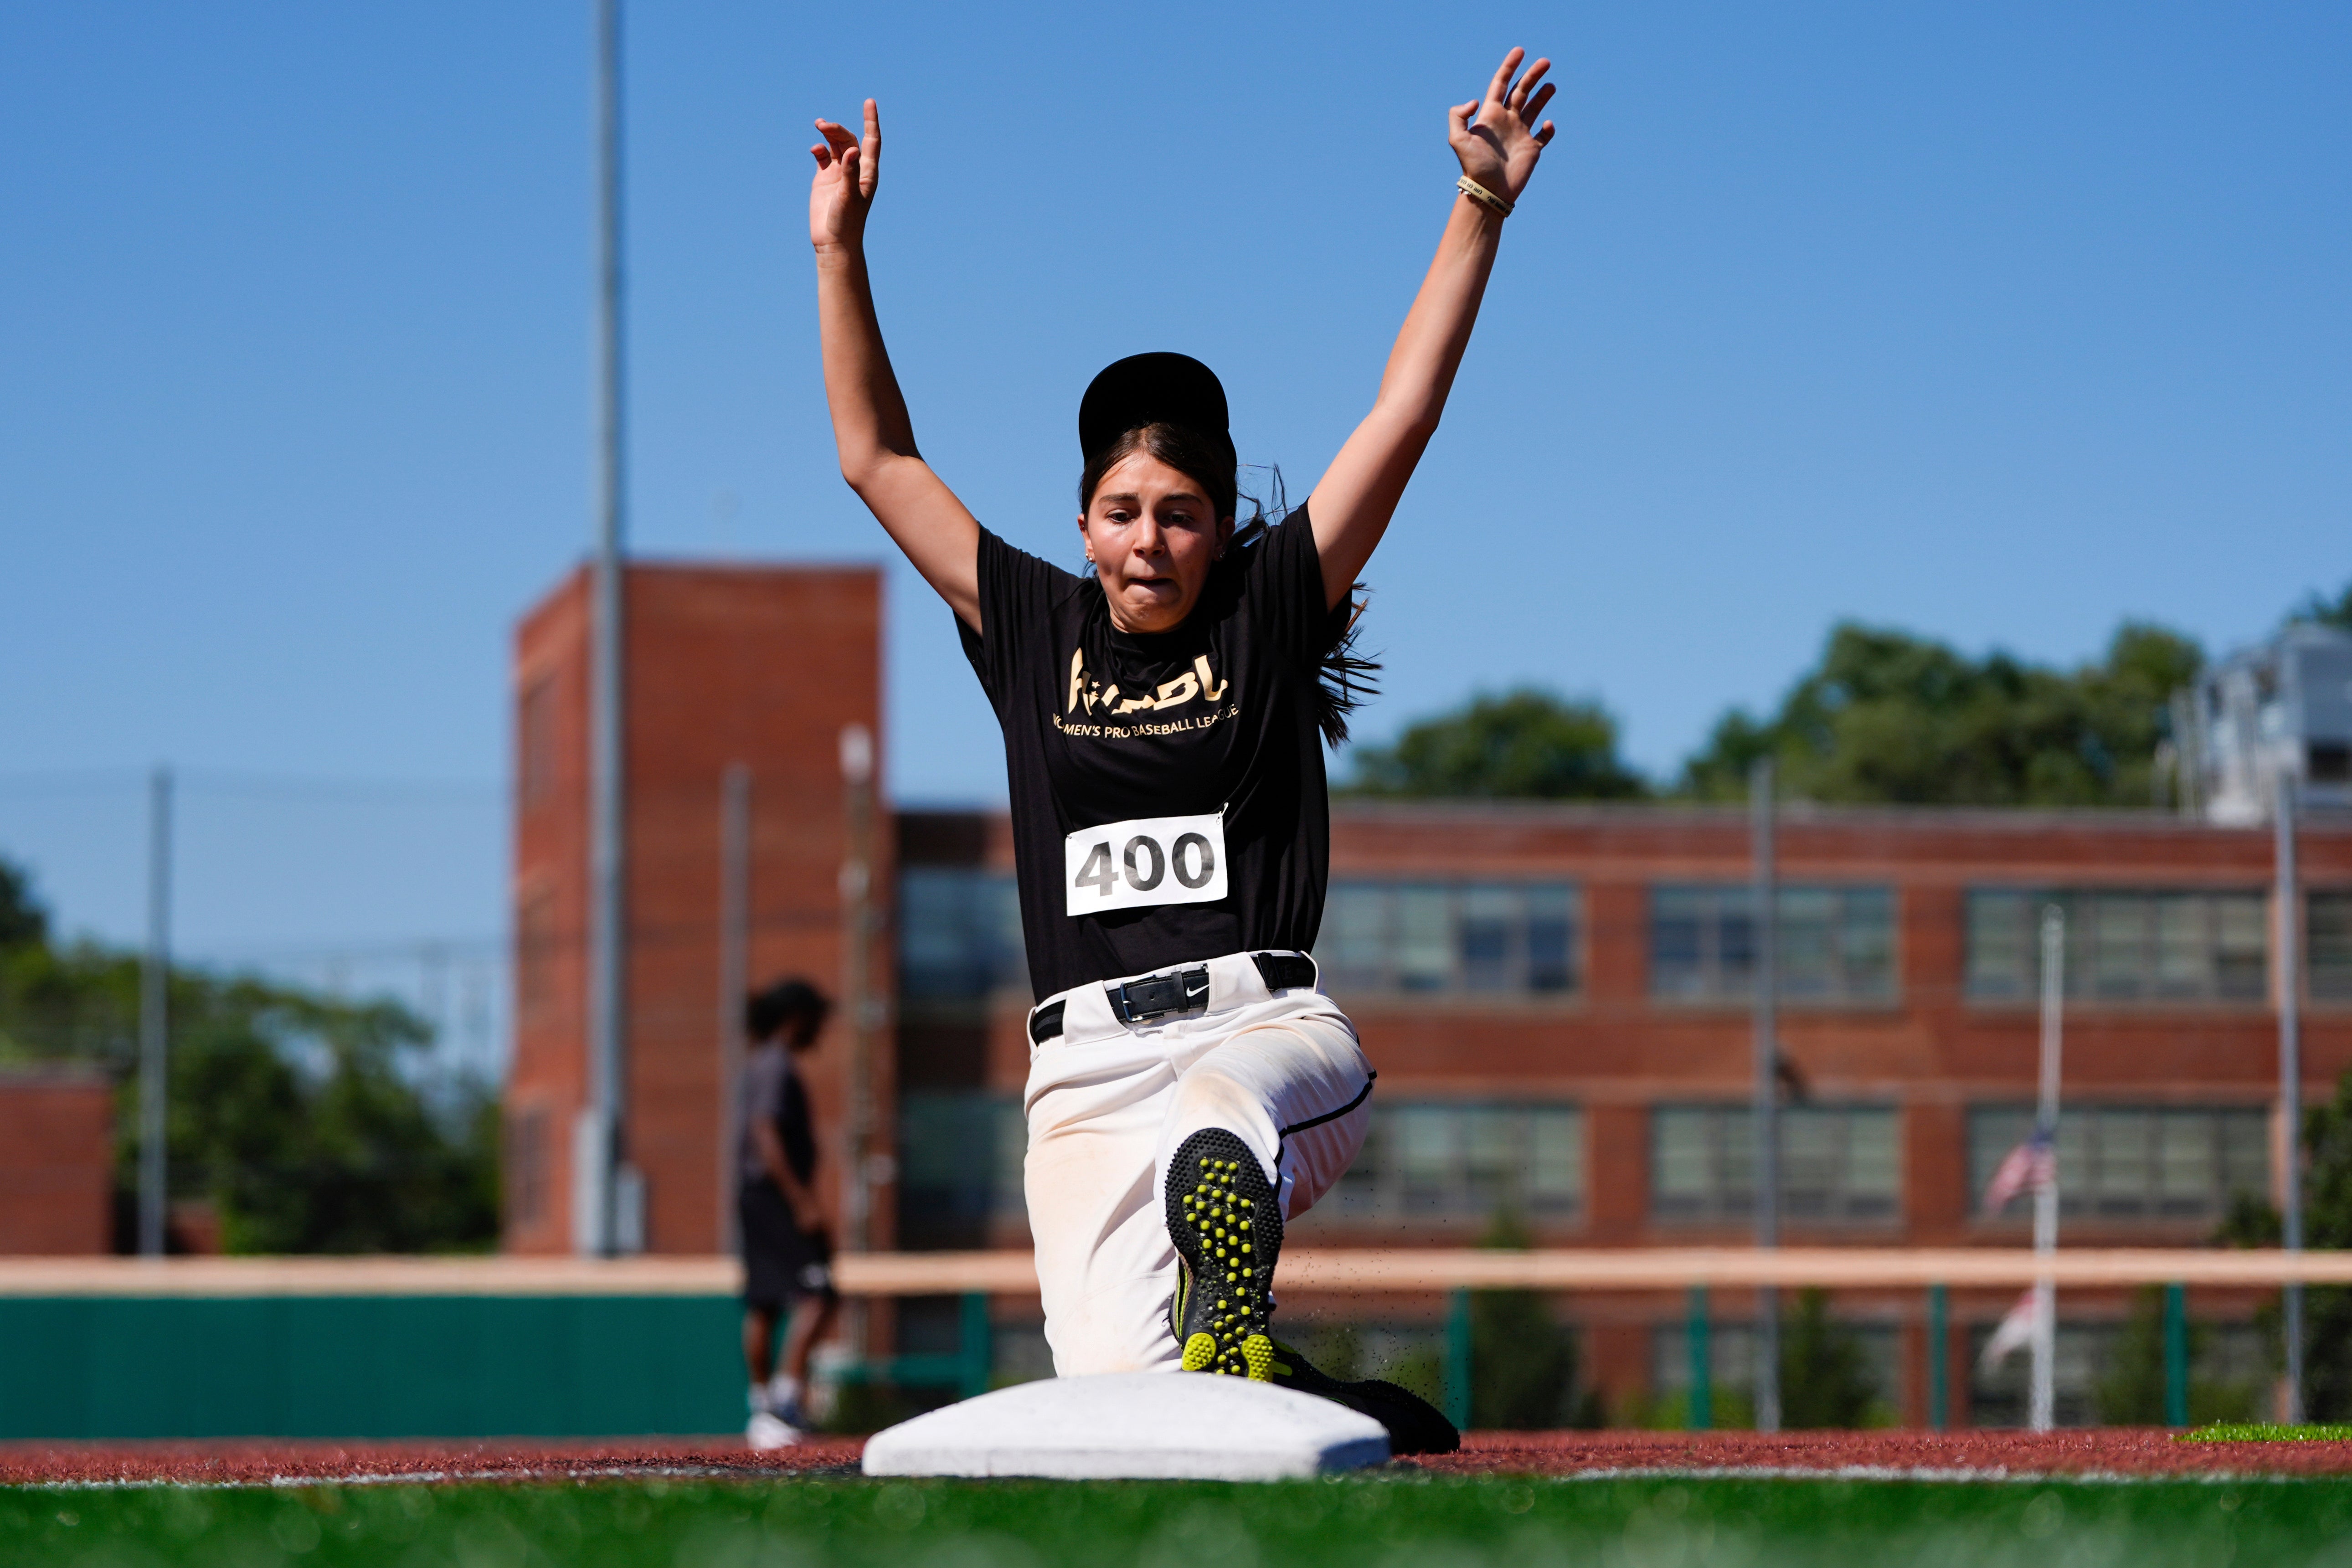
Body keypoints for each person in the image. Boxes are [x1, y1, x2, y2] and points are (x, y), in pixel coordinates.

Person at [808, 48, 1555, 1454]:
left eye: (1181, 510)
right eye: (1121, 508)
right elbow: (875, 458)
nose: (1149, 537)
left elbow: (1401, 412)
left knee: (1222, 1118)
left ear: (1221, 524)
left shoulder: (1271, 608)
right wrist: (841, 251)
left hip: (1264, 1036)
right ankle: (1296, 1391)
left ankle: (1233, 1244)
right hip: (1083, 1074)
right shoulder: (1031, 626)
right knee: (1133, 1412)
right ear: (1082, 519)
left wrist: (1478, 202)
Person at [737, 977, 840, 1449]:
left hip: (754, 1195)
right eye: (816, 1021)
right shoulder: (777, 1066)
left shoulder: (759, 1064)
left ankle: (763, 1407)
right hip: (774, 1196)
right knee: (819, 1294)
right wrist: (802, 1201)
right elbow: (766, 1131)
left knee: (765, 1301)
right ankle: (783, 1401)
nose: (819, 1033)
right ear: (797, 1018)